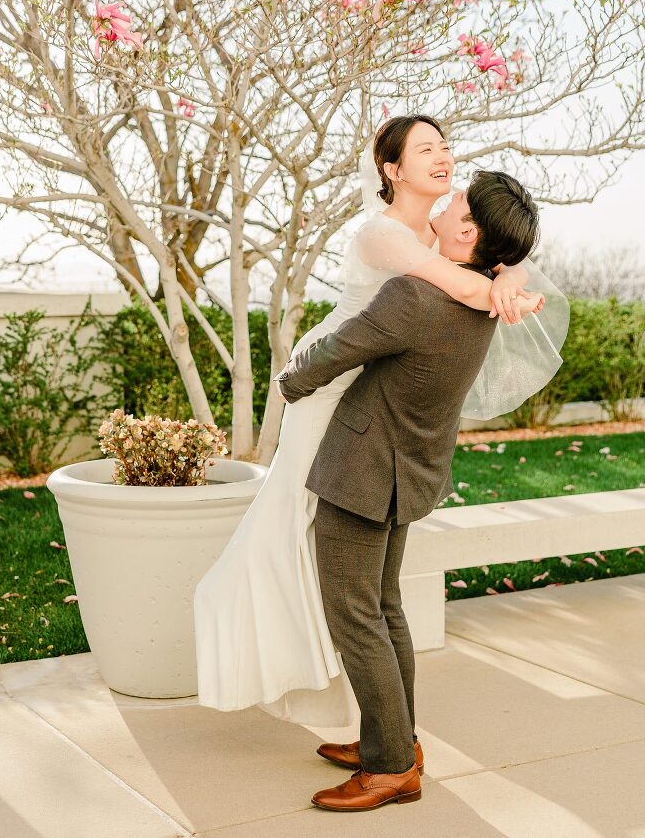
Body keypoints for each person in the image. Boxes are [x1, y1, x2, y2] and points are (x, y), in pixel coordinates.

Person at [194, 115, 568, 727]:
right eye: (425, 149)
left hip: (368, 402)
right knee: (292, 530)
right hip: (331, 385)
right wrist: (504, 284)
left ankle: (385, 742)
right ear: (392, 170)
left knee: (355, 587)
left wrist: (510, 273)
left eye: (444, 146)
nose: (443, 158)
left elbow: (476, 264)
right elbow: (455, 281)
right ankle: (365, 719)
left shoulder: (443, 237)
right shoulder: (384, 236)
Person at [275, 169, 541, 811]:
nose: (446, 199)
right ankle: (394, 740)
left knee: (355, 614)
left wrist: (289, 381)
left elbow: (340, 350)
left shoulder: (415, 298)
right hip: (408, 470)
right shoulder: (485, 294)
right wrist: (511, 271)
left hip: (363, 471)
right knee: (384, 607)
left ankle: (391, 768)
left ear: (468, 232)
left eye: (457, 202)